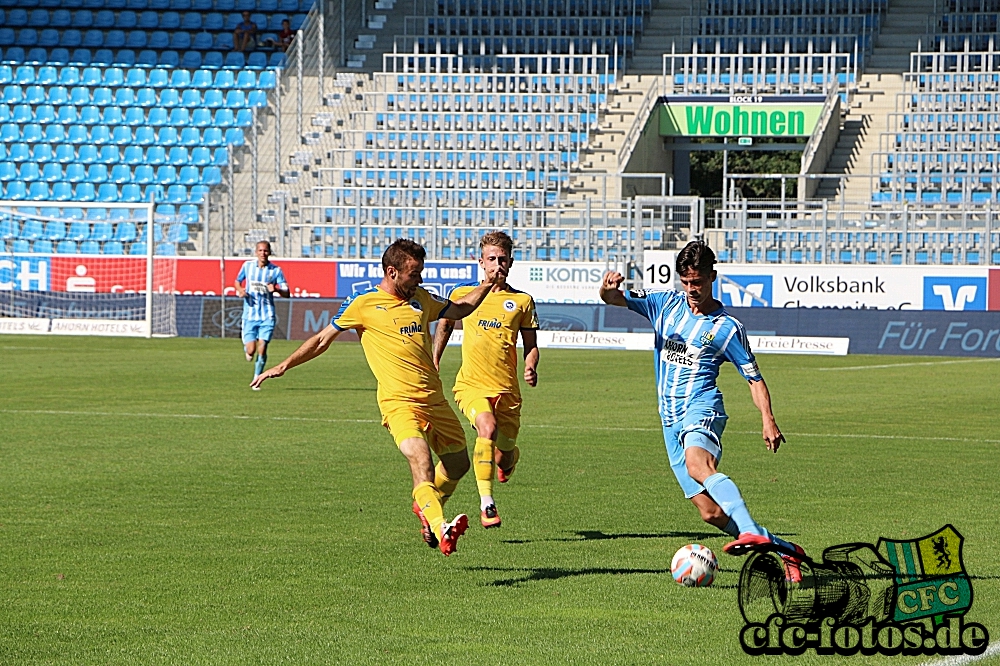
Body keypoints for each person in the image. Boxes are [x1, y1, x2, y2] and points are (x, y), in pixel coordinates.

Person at [251, 239, 505, 556]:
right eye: (414, 274)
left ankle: (427, 508)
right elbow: (321, 340)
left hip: (435, 402)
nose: (420, 281)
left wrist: (487, 283)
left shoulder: (422, 299)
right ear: (392, 272)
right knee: (421, 461)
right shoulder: (364, 304)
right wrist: (284, 365)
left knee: (457, 465)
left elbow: (461, 309)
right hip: (398, 403)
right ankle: (442, 528)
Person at [599, 240, 807, 582]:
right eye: (686, 282)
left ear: (712, 276)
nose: (692, 289)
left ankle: (751, 529)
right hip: (669, 420)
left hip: (703, 407)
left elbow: (754, 378)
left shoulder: (727, 328)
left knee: (699, 465)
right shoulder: (663, 304)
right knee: (710, 513)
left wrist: (768, 419)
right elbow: (614, 300)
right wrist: (606, 289)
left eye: (698, 282)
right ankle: (787, 551)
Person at [432, 231, 539, 529]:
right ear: (481, 262)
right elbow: (445, 325)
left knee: (504, 455)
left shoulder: (522, 301)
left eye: (502, 259)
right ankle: (486, 503)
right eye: (491, 259)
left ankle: (510, 459)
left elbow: (531, 346)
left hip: (508, 391)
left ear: (511, 262)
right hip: (471, 385)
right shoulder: (463, 294)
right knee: (486, 426)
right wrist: (435, 359)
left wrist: (531, 366)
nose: (497, 265)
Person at [235, 241, 288, 388]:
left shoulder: (275, 271)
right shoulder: (247, 266)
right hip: (250, 315)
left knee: (263, 347)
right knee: (251, 351)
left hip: (267, 315)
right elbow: (237, 281)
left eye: (265, 251)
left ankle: (257, 378)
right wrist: (240, 290)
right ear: (256, 252)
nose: (263, 253)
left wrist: (276, 289)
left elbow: (287, 292)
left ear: (269, 252)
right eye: (260, 250)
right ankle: (248, 349)